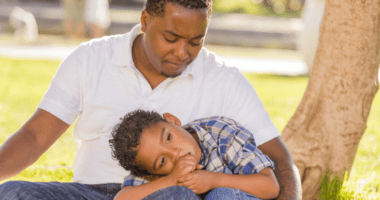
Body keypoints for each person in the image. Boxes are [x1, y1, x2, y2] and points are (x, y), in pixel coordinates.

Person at [0, 0, 301, 199]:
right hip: (90, 192)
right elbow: (34, 136)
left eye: (195, 41)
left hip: (170, 196)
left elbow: (279, 159)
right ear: (145, 21)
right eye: (171, 39)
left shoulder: (224, 80)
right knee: (12, 193)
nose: (183, 53)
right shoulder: (90, 59)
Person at [109, 109, 280, 200]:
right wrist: (172, 179)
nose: (174, 153)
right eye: (162, 161)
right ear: (151, 175)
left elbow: (271, 186)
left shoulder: (220, 133)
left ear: (173, 120)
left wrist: (213, 180)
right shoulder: (149, 165)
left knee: (221, 195)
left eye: (168, 138)